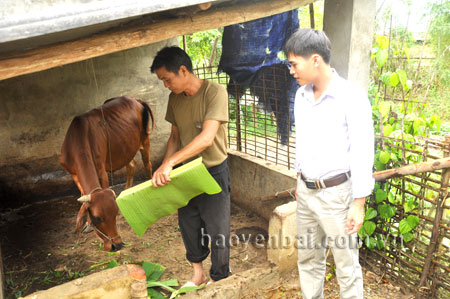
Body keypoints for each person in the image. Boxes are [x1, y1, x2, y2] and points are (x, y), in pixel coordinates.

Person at [284, 29, 374, 299]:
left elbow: (362, 150)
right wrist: (300, 178)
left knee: (346, 265)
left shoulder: (351, 97)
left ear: (315, 60)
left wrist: (358, 203)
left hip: (336, 195)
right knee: (309, 260)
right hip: (307, 191)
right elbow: (304, 140)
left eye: (293, 63)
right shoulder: (301, 96)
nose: (291, 71)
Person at [150, 46, 231, 286]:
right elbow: (174, 137)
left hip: (213, 170)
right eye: (162, 80)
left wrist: (170, 163)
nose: (165, 85)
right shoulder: (174, 99)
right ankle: (198, 273)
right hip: (186, 173)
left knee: (218, 229)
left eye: (167, 79)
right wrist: (165, 165)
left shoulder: (214, 92)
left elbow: (206, 139)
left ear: (183, 70)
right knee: (188, 223)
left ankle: (219, 277)